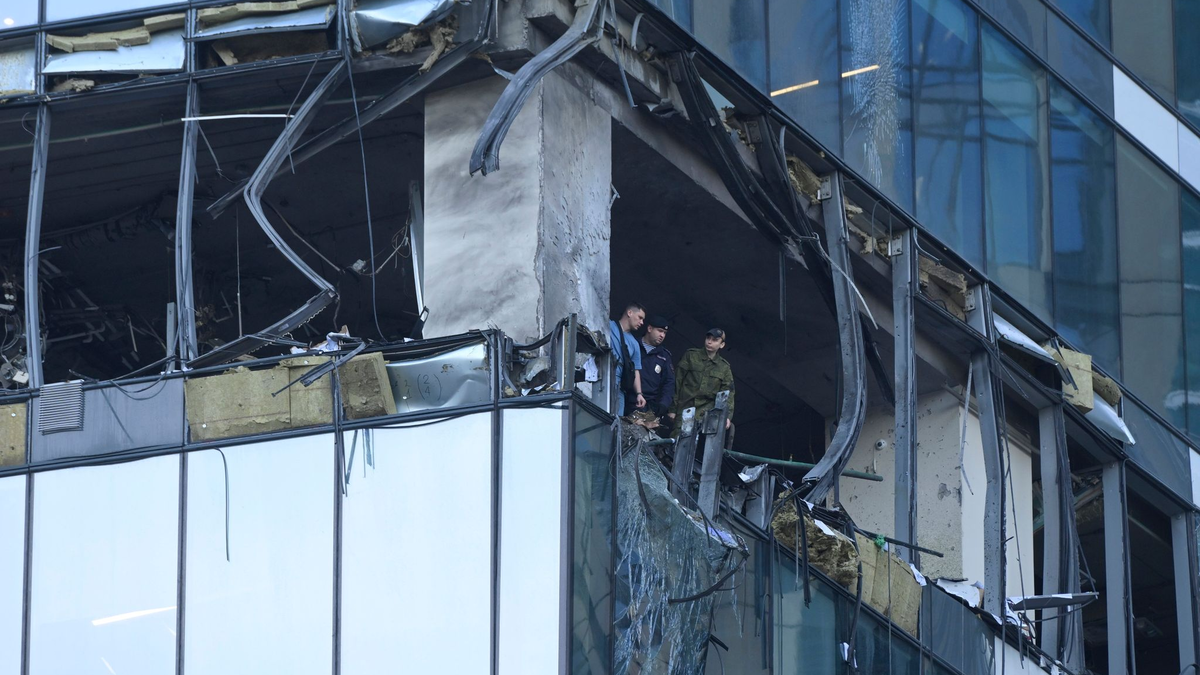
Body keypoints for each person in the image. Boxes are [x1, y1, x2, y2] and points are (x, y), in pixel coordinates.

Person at [670, 328, 735, 440]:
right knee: (678, 441)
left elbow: (728, 393)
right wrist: (672, 409)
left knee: (704, 444)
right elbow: (677, 381)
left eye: (714, 340)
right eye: (708, 338)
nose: (709, 342)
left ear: (722, 345)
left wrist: (727, 417)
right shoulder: (691, 356)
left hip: (707, 414)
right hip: (685, 408)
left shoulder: (724, 367)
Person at [632, 314, 675, 425]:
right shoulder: (633, 344)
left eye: (664, 333)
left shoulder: (665, 356)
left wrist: (663, 405)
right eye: (660, 331)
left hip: (648, 406)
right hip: (627, 397)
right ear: (650, 328)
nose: (662, 335)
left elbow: (669, 383)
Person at [609, 303, 646, 416]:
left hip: (619, 387)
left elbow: (636, 370)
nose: (642, 322)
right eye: (640, 317)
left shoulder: (634, 343)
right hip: (601, 378)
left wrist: (639, 394)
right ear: (629, 313)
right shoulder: (608, 325)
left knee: (616, 421)